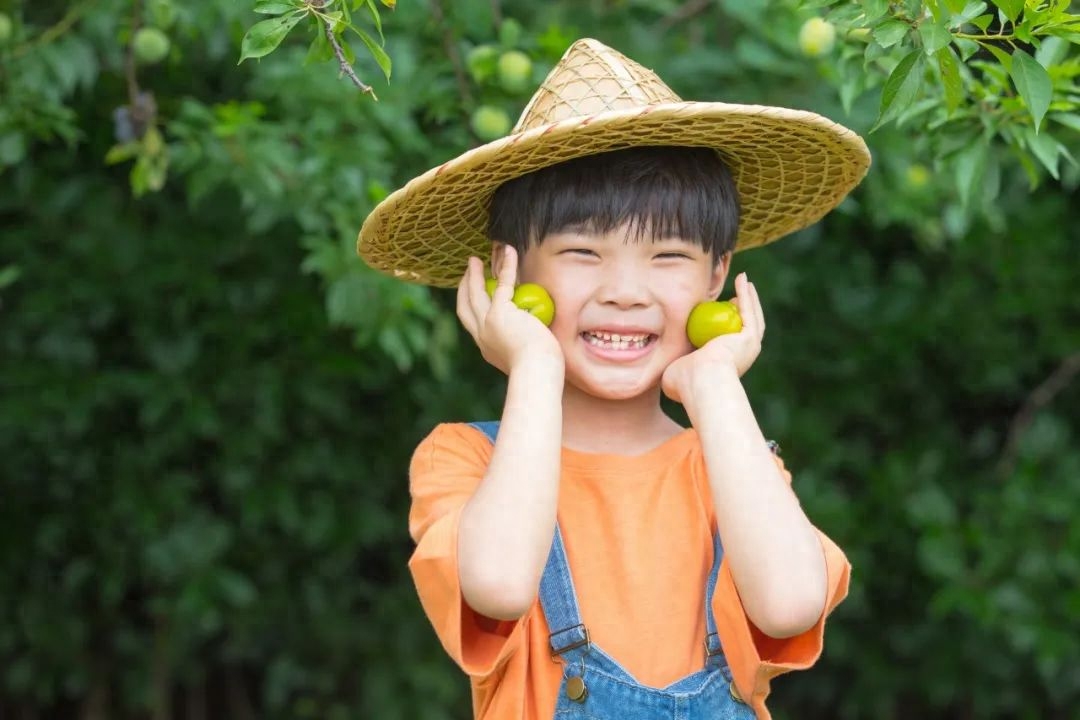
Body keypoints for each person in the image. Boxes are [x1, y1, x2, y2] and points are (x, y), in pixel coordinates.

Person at [358, 38, 870, 720]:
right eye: (581, 252)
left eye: (668, 256)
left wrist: (714, 383)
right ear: (510, 272)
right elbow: (501, 585)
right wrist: (534, 365)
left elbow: (790, 603)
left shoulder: (729, 460)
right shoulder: (466, 460)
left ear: (717, 277)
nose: (625, 291)